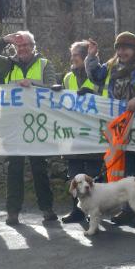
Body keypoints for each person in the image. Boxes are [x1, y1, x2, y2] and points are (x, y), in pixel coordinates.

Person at [84, 32, 135, 227]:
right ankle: (128, 211)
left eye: (126, 48)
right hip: (120, 128)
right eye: (118, 48)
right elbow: (96, 76)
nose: (121, 52)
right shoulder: (113, 65)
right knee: (125, 172)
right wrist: (92, 57)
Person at [0, 30, 59, 224]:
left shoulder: (45, 64)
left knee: (39, 169)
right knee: (14, 169)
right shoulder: (8, 64)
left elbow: (53, 87)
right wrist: (3, 40)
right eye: (19, 45)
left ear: (33, 46)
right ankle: (12, 212)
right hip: (14, 124)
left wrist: (32, 84)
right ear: (15, 48)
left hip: (37, 124)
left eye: (26, 45)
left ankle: (47, 209)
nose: (23, 48)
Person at [60, 40, 102, 224]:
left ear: (86, 56)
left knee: (93, 176)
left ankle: (96, 212)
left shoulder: (98, 75)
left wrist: (93, 96)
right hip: (73, 135)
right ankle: (77, 211)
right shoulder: (68, 77)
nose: (72, 58)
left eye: (76, 55)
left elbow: (107, 100)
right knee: (74, 176)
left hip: (93, 134)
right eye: (72, 55)